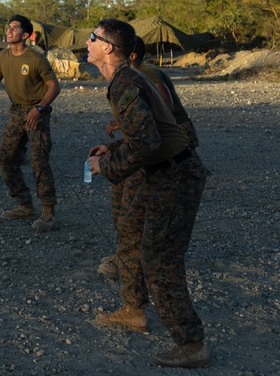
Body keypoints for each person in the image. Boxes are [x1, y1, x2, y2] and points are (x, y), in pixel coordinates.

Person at [85, 19, 211, 368]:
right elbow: (148, 134)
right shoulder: (124, 78)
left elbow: (148, 143)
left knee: (160, 260)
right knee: (131, 235)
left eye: (93, 37)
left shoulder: (126, 82)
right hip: (162, 171)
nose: (87, 42)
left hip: (175, 176)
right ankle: (134, 310)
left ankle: (192, 344)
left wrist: (105, 166)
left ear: (107, 47)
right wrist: (114, 149)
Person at [98, 37, 200, 279]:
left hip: (169, 143)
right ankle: (126, 257)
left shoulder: (146, 72)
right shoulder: (129, 77)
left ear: (131, 55)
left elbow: (163, 107)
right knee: (124, 195)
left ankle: (128, 262)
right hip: (152, 142)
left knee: (133, 200)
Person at [0, 15, 61, 232]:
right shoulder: (3, 56)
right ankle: (25, 206)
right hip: (16, 113)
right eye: (8, 27)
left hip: (36, 113)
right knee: (5, 159)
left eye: (15, 28)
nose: (9, 30)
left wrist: (39, 108)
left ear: (25, 35)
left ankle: (48, 213)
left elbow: (54, 87)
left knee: (38, 161)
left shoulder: (36, 59)